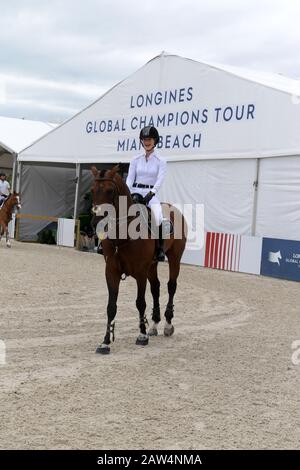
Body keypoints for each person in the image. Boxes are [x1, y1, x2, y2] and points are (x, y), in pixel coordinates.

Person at [126, 126, 167, 261]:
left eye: (149, 139)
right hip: (134, 192)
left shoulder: (161, 161)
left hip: (150, 194)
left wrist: (151, 193)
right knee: (118, 210)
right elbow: (130, 179)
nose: (147, 142)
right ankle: (106, 243)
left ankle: (159, 248)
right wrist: (128, 192)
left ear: (155, 140)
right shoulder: (135, 160)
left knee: (158, 216)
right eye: (144, 139)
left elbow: (160, 180)